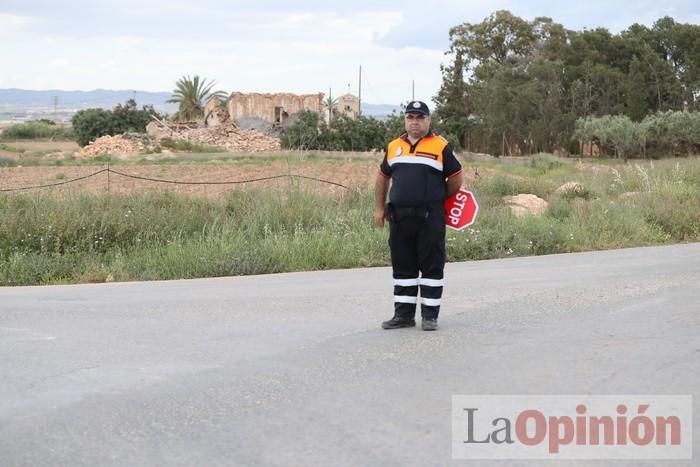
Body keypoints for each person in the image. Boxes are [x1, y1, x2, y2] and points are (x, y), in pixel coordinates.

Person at [374, 100, 463, 331]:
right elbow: (383, 177)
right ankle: (403, 316)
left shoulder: (441, 146)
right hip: (399, 218)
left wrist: (435, 197)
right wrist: (379, 209)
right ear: (405, 120)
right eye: (410, 117)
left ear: (428, 120)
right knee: (403, 268)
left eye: (420, 117)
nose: (415, 122)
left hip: (430, 217)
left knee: (432, 266)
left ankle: (430, 316)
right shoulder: (394, 146)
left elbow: (455, 179)